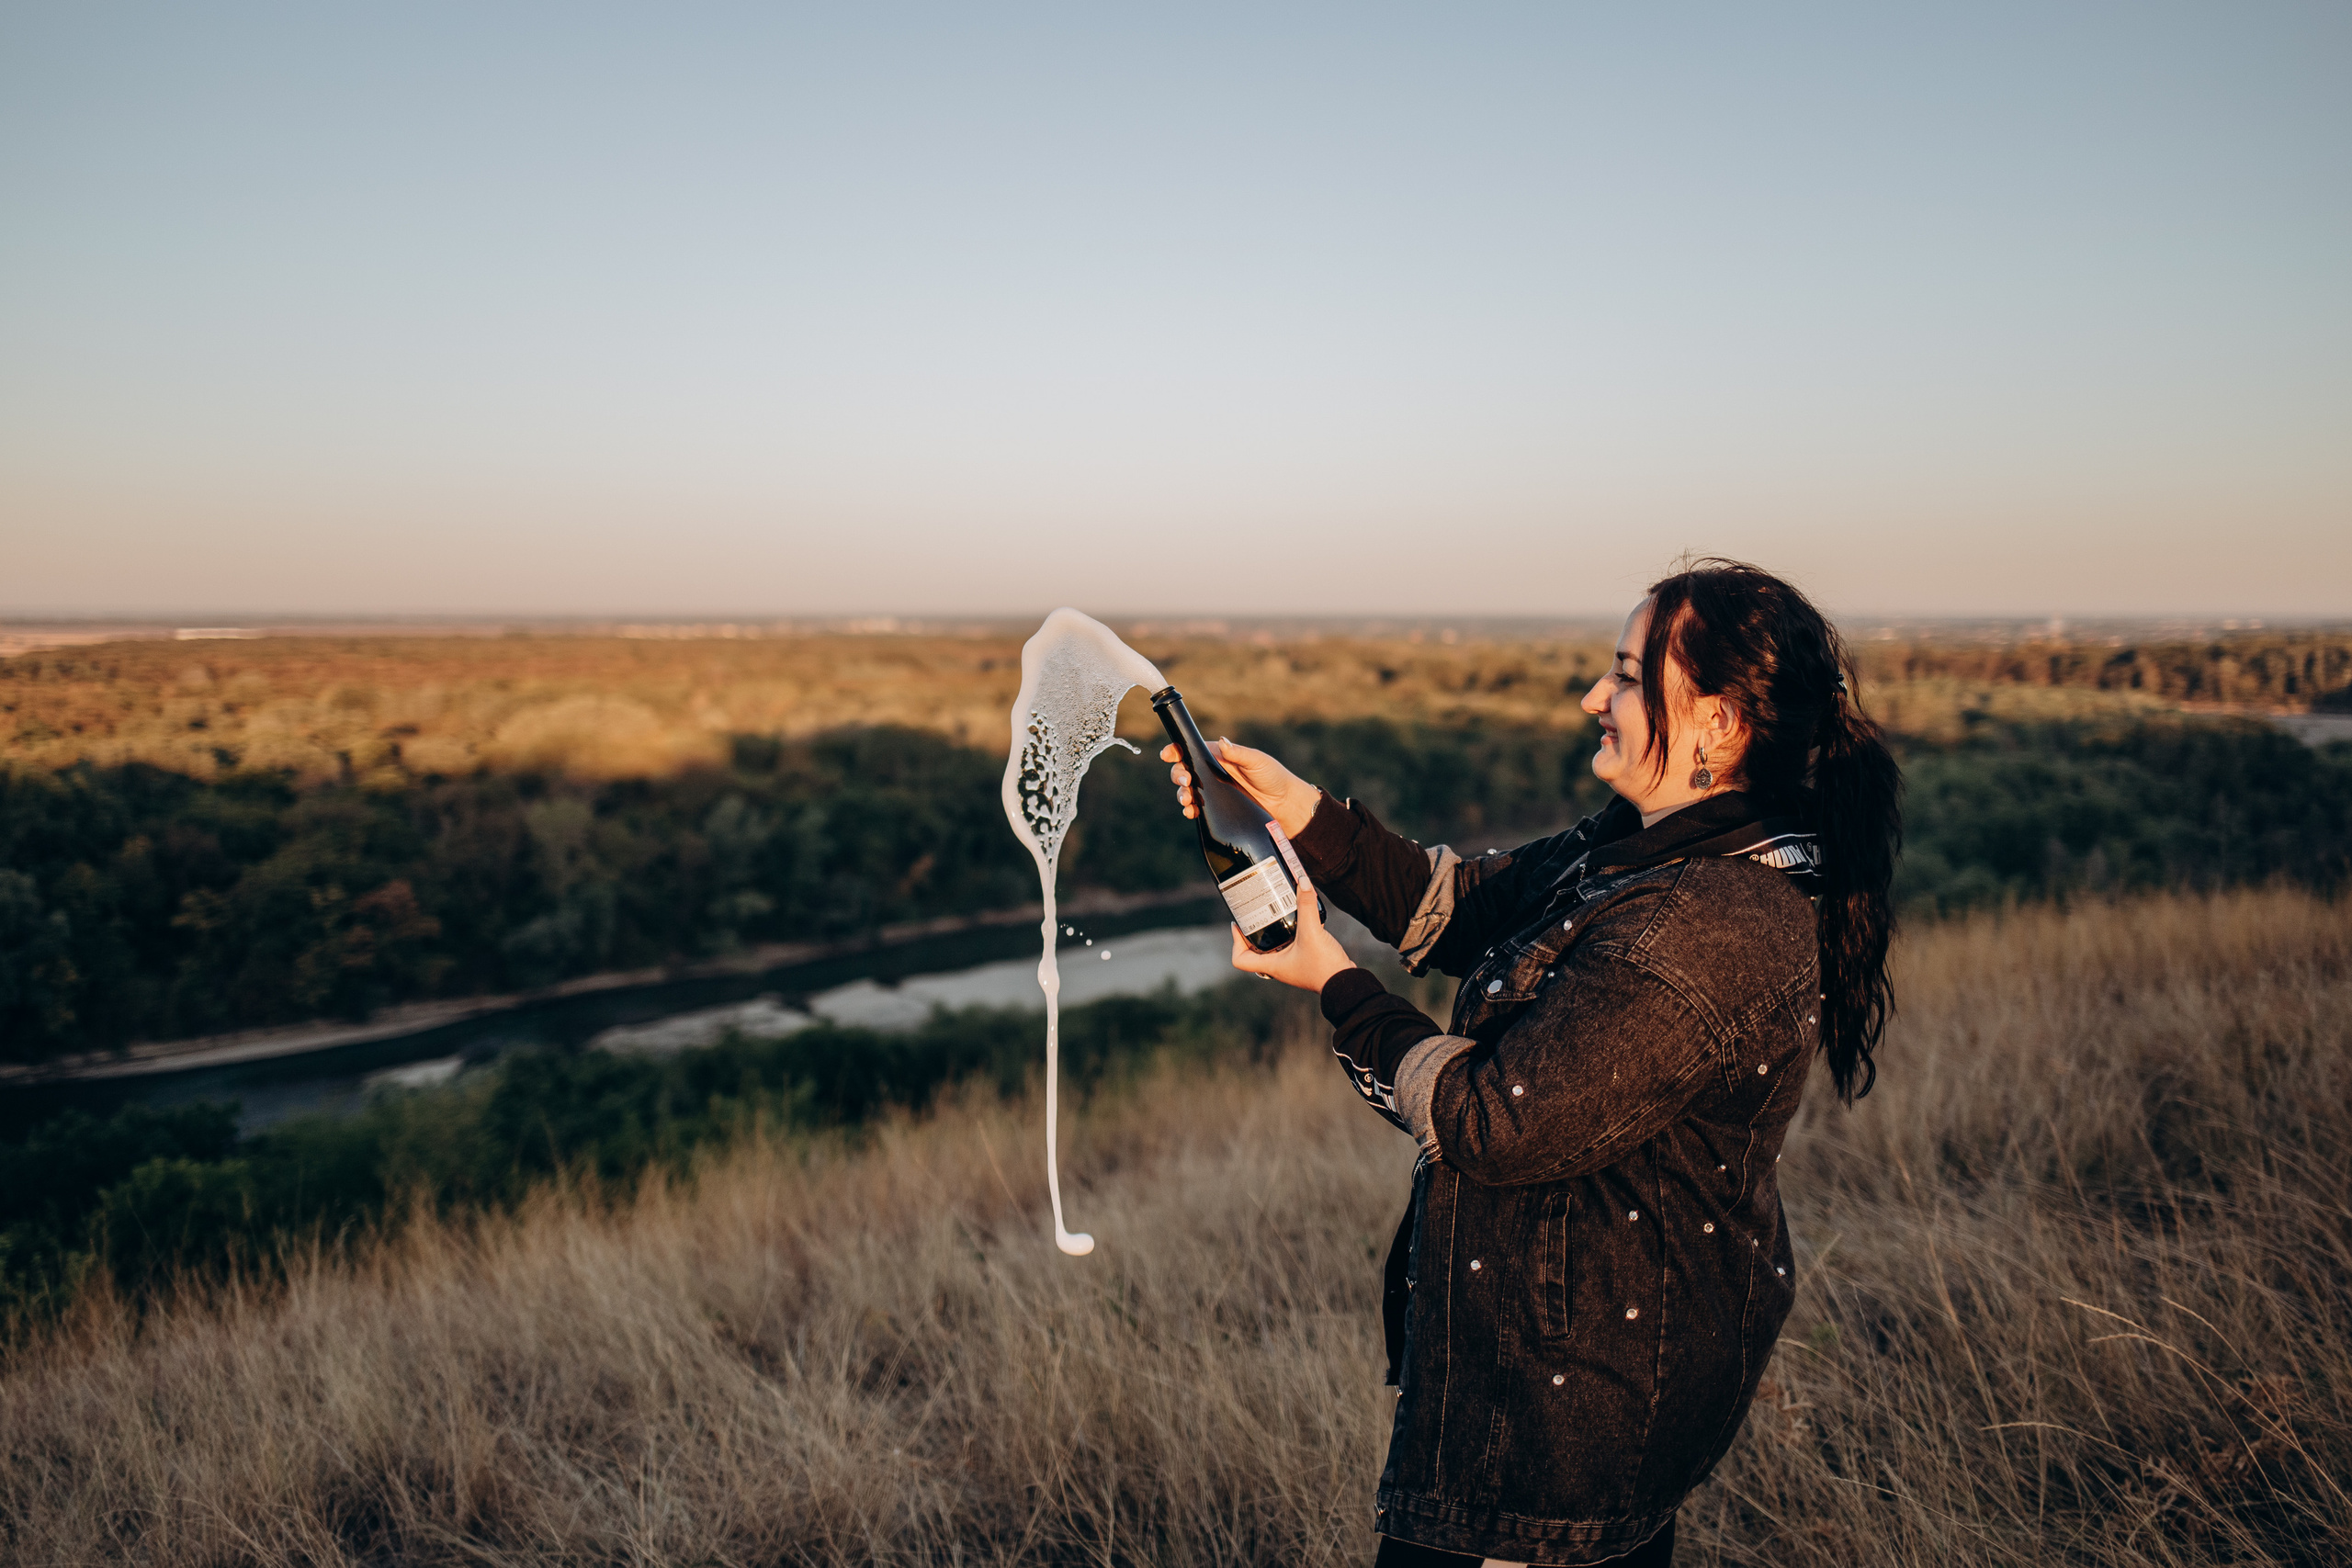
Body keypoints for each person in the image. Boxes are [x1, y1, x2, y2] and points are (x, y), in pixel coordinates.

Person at [1163, 560, 1902, 1567]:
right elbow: (1460, 905)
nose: (1594, 698)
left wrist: (1335, 984)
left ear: (1721, 725)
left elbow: (1490, 1121)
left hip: (1555, 1427)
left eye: (1630, 678)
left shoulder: (1707, 921)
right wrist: (1300, 813)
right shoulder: (1646, 847)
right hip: (1551, 1384)